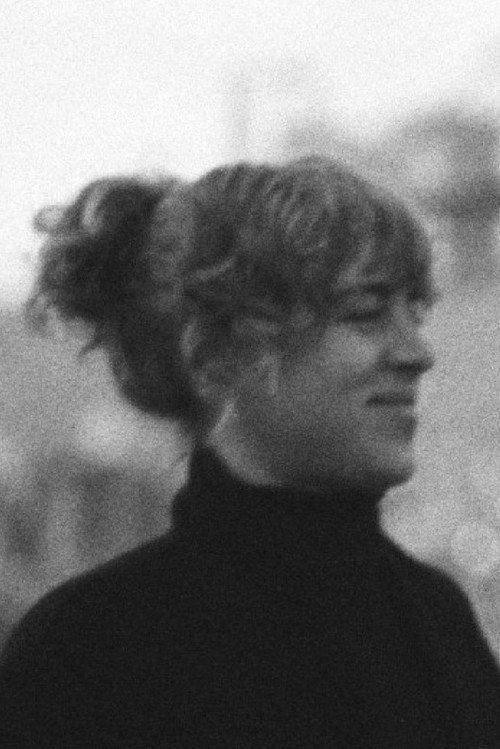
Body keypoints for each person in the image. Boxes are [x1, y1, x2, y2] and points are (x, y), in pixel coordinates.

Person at [1, 157, 499, 748]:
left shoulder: (436, 620)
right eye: (365, 313)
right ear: (214, 356)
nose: (418, 353)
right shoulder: (91, 653)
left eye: (415, 312)